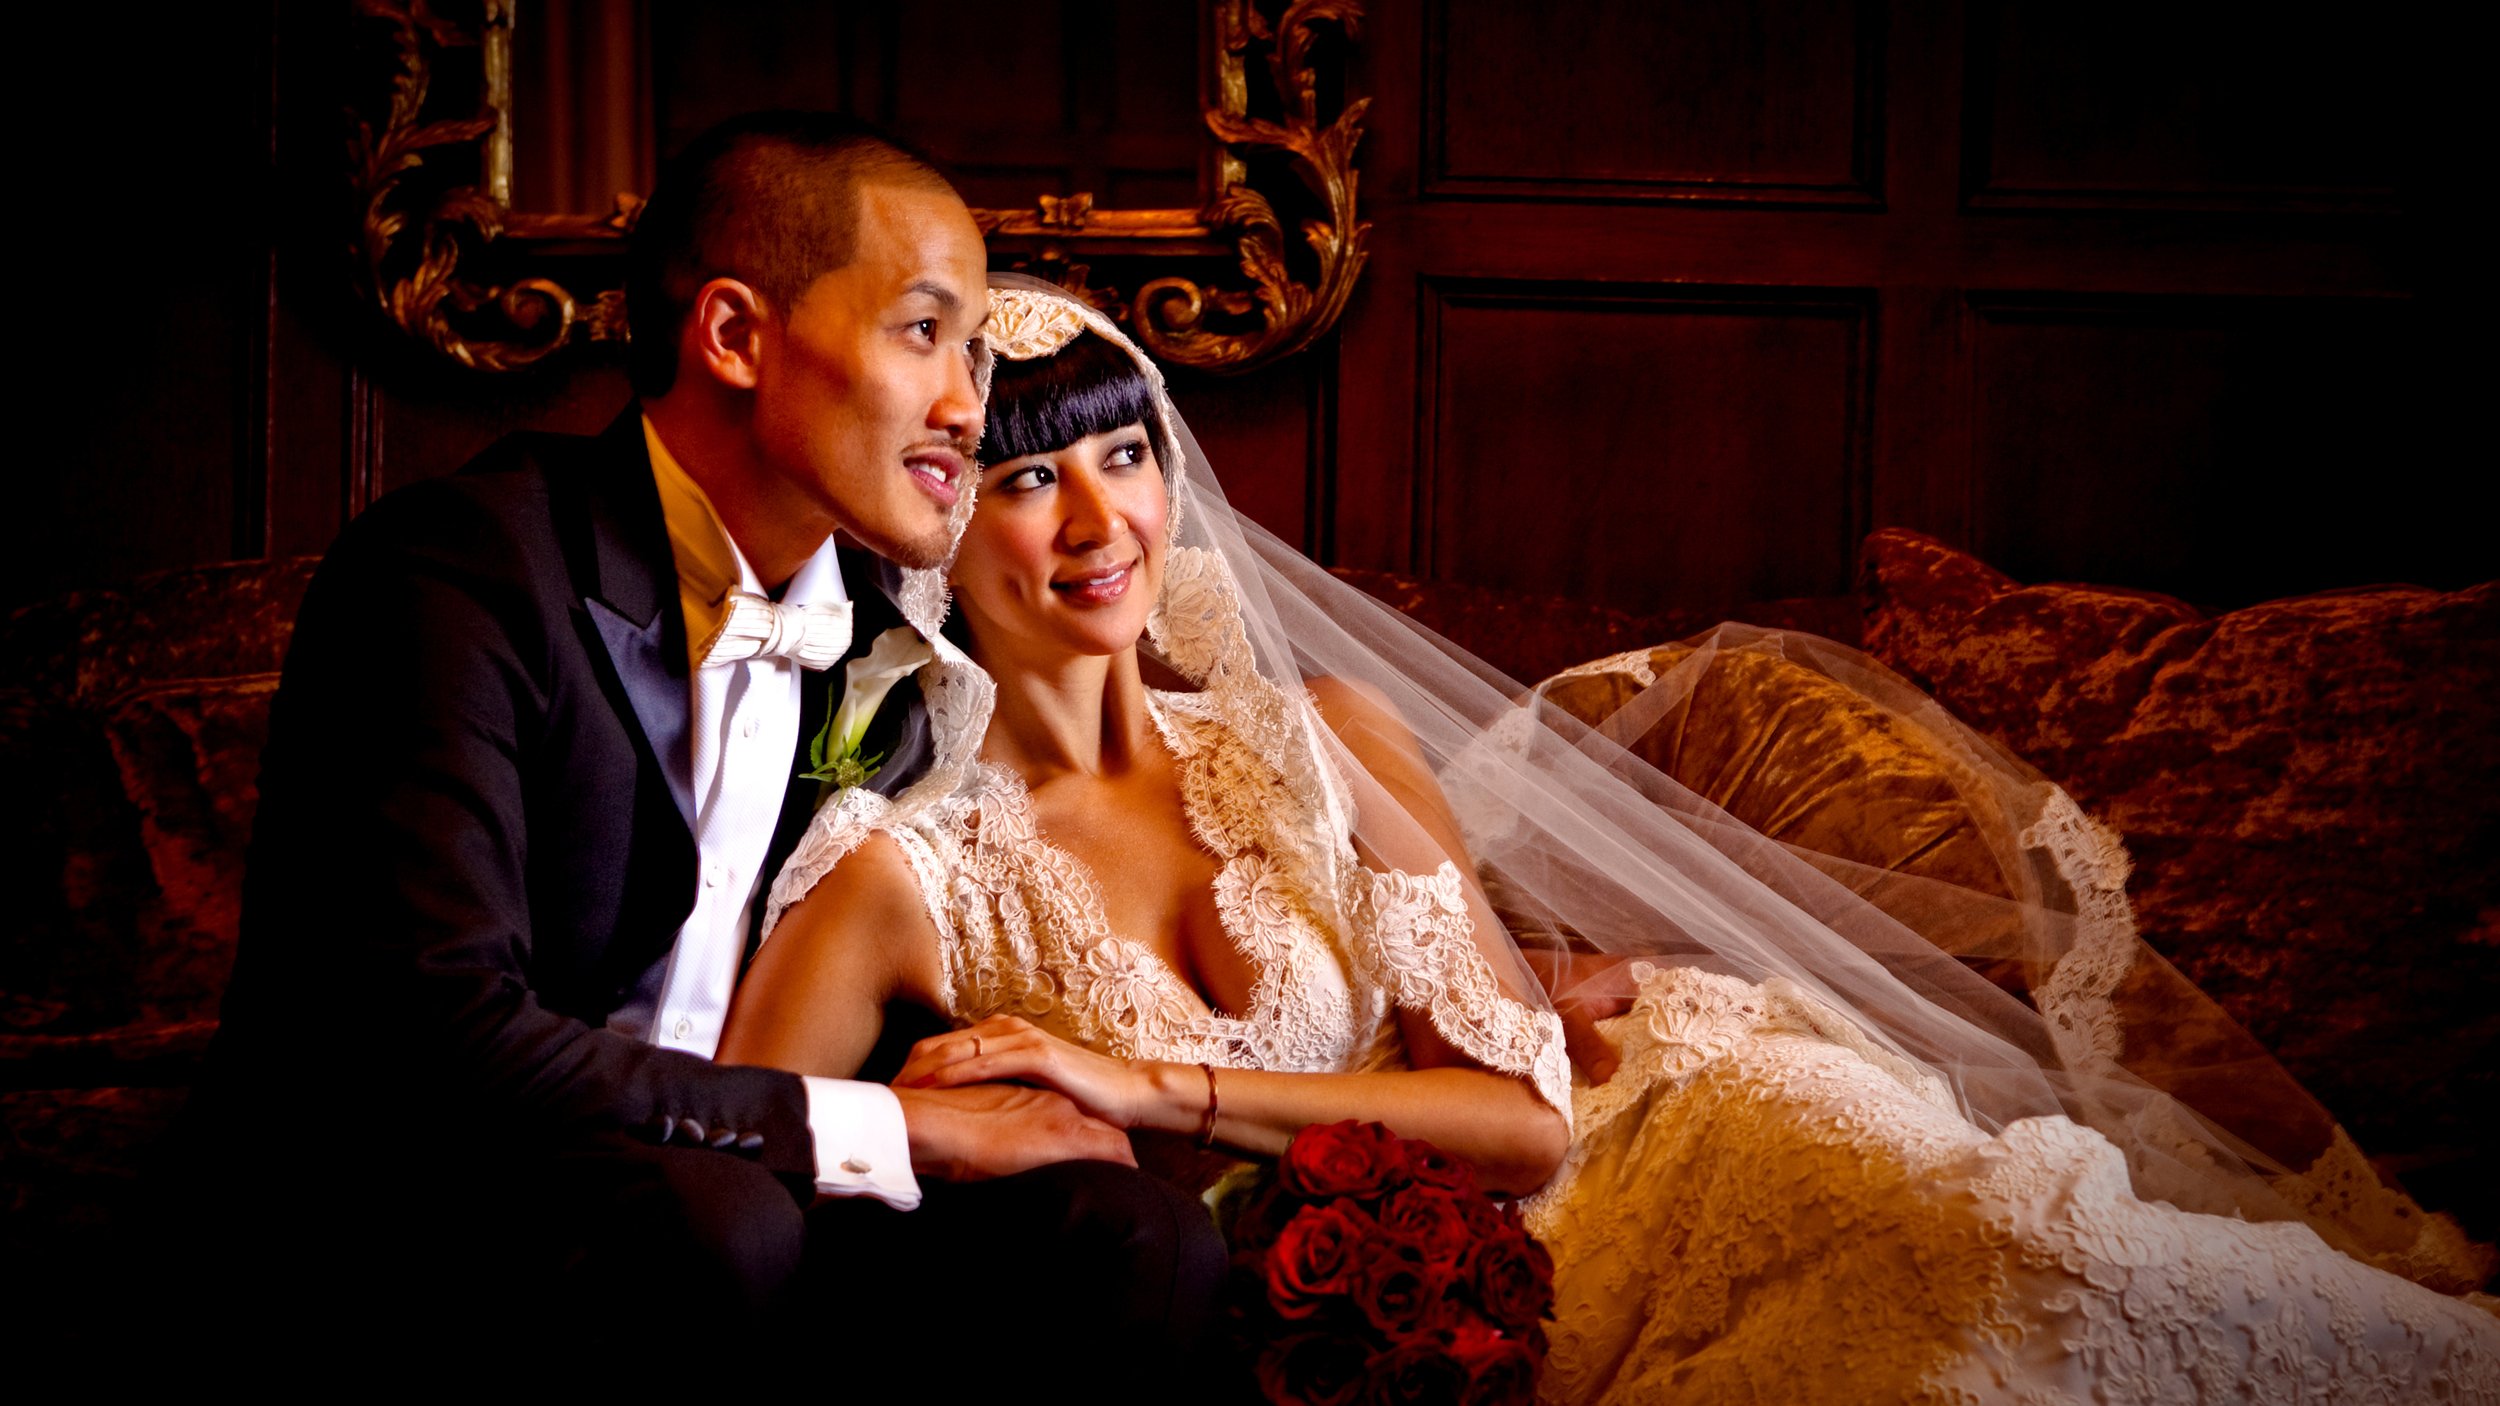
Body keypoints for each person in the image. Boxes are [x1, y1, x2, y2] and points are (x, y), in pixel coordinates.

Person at [722, 277, 2500, 1402]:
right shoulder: (902, 865)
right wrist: (960, 1144)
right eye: (1028, 477)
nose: (1099, 515)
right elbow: (735, 1163)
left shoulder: (1321, 740)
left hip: (1653, 1157)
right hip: (1411, 1307)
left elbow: (1516, 1111)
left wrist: (1150, 1093)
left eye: (1123, 451)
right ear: (926, 519)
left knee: (2019, 1243)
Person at [181, 118, 1223, 1365]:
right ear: (735, 335)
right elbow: (434, 1028)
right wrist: (891, 1129)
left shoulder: (892, 635)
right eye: (921, 330)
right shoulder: (460, 572)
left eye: (974, 351)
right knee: (714, 1226)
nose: (967, 405)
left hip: (752, 1186)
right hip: (436, 1212)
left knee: (1132, 1233)